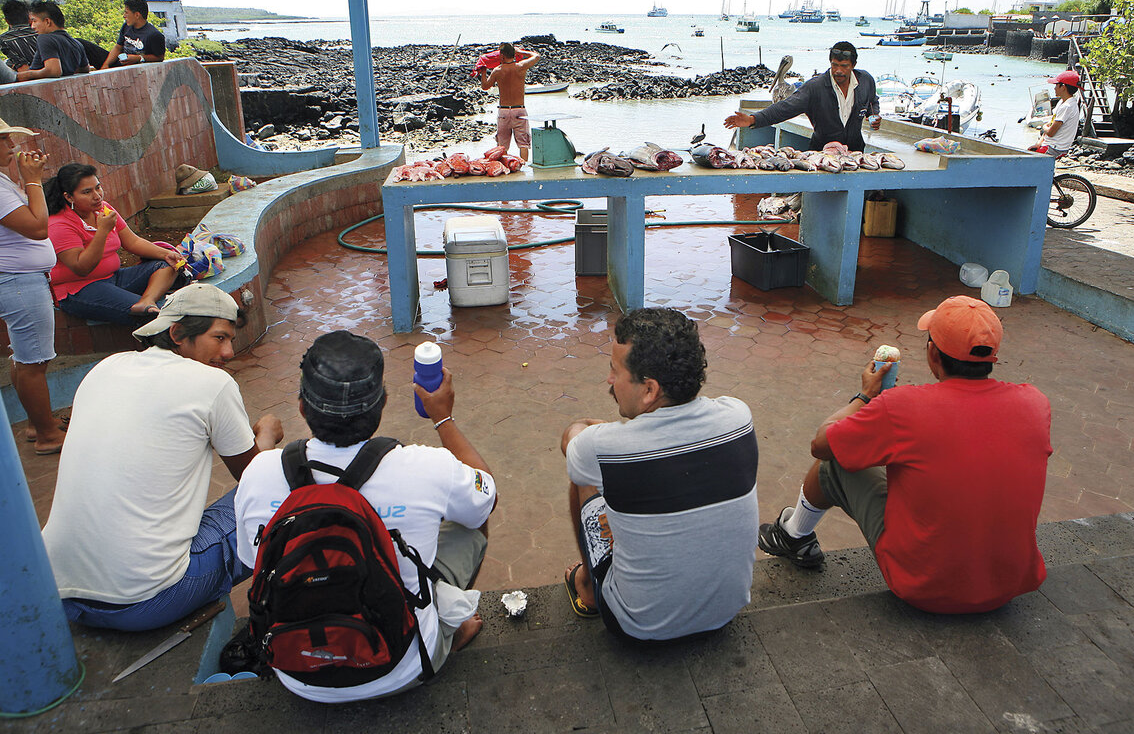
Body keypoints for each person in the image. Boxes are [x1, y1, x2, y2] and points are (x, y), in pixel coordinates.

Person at [235, 331, 497, 701]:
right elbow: (487, 496)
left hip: (297, 675)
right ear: (383, 404)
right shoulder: (426, 467)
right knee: (472, 518)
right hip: (403, 666)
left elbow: (252, 561)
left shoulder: (259, 472)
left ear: (302, 408)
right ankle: (446, 632)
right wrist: (444, 419)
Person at [758, 296, 1052, 614]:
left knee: (836, 461)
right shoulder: (1035, 404)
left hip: (924, 586)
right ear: (992, 356)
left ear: (932, 354)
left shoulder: (903, 406)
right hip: (1007, 584)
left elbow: (822, 444)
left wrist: (865, 395)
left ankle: (793, 535)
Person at [40, 284, 284, 631]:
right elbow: (257, 478)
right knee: (287, 483)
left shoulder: (105, 368)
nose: (229, 352)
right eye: (219, 338)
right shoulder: (211, 383)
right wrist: (268, 435)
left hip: (61, 592)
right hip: (146, 600)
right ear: (177, 333)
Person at [562, 307, 758, 641]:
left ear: (650, 389)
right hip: (724, 612)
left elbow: (572, 439)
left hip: (637, 627)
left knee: (584, 481)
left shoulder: (603, 447)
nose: (609, 380)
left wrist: (599, 429)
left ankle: (589, 589)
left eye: (614, 370)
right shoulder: (738, 417)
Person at [45, 162, 184, 324]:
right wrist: (102, 232)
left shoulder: (103, 209)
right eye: (87, 192)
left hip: (113, 278)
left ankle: (147, 300)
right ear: (69, 197)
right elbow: (82, 267)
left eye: (98, 187)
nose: (97, 196)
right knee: (151, 317)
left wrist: (167, 254)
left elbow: (132, 242)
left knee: (165, 265)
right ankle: (143, 310)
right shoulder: (58, 224)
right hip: (79, 289)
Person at [0, 117, 65, 455]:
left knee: (25, 357)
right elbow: (39, 227)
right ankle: (47, 435)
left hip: (20, 280)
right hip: (18, 283)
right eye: (5, 141)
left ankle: (35, 424)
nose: (13, 147)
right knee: (34, 362)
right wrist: (33, 181)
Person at [724, 41, 881, 151]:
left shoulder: (866, 81)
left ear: (853, 66)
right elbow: (785, 108)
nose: (838, 70)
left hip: (855, 153)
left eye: (844, 66)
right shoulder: (815, 87)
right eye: (834, 65)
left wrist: (873, 116)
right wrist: (753, 119)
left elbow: (872, 102)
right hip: (822, 154)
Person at [481, 42, 540, 162]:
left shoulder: (497, 70)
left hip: (503, 111)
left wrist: (483, 71)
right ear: (513, 54)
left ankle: (505, 168)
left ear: (502, 56)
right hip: (519, 110)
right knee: (523, 144)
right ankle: (523, 168)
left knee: (502, 146)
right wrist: (521, 52)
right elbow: (536, 56)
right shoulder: (521, 66)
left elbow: (485, 86)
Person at [15, 0, 86, 82]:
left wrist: (26, 75)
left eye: (34, 21)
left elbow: (54, 71)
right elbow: (85, 68)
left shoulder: (45, 38)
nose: (32, 26)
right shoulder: (76, 43)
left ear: (47, 22)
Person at [100, 0, 166, 69]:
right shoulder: (126, 27)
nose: (124, 16)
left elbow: (160, 57)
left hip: (138, 69)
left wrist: (138, 58)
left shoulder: (154, 35)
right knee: (86, 46)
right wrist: (106, 65)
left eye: (126, 13)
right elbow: (118, 47)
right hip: (120, 63)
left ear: (137, 15)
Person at [1029, 70, 1081, 158]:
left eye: (1056, 85)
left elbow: (1050, 132)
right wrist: (1038, 143)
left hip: (1055, 148)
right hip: (1049, 144)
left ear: (1063, 87)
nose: (1054, 88)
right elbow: (1051, 124)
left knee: (1027, 161)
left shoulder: (1067, 106)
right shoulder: (1062, 102)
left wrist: (1044, 127)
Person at [0, 0, 38, 83]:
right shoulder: (40, 32)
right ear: (29, 18)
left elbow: (23, 69)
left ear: (7, 21)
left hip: (31, 79)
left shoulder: (4, 40)